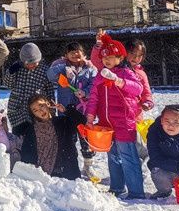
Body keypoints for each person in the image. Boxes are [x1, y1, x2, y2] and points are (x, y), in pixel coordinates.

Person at [85, 34, 145, 199]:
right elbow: (94, 97)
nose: (106, 61)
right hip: (106, 122)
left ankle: (136, 191)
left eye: (111, 57)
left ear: (120, 57)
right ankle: (117, 187)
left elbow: (138, 89)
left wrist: (119, 81)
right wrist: (90, 117)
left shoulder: (126, 72)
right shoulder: (100, 75)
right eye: (104, 57)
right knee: (113, 156)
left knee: (128, 157)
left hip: (124, 122)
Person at [46, 42, 98, 179]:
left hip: (83, 112)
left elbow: (95, 85)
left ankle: (88, 166)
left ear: (83, 53)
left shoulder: (90, 69)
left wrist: (85, 92)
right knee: (69, 139)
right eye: (71, 52)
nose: (75, 54)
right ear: (66, 55)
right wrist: (63, 67)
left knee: (86, 140)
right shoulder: (62, 67)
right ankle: (70, 164)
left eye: (78, 51)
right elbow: (50, 75)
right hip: (65, 110)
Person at [13, 95, 87, 180]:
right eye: (35, 110)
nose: (40, 111)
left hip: (68, 174)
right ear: (33, 114)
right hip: (44, 179)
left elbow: (82, 122)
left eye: (41, 105)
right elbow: (27, 154)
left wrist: (66, 111)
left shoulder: (63, 122)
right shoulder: (31, 130)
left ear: (48, 104)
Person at [91, 31, 154, 120]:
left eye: (140, 55)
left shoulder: (141, 73)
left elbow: (146, 91)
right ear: (124, 52)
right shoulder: (112, 68)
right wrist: (99, 45)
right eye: (132, 53)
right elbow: (96, 60)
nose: (136, 58)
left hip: (134, 114)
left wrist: (148, 102)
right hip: (113, 112)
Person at [5, 42, 55, 129]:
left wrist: (51, 109)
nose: (31, 66)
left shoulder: (45, 71)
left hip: (37, 111)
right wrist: (10, 73)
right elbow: (8, 85)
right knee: (19, 135)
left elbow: (50, 91)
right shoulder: (17, 69)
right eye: (28, 64)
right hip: (17, 111)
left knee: (36, 135)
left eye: (34, 63)